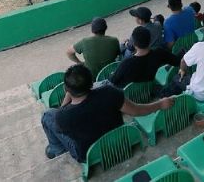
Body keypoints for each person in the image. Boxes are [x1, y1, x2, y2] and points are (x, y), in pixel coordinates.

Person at [41, 64, 174, 161]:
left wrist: (67, 97)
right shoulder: (109, 92)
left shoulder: (63, 116)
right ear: (92, 84)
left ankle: (56, 150)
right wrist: (161, 104)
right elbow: (137, 110)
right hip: (118, 142)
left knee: (48, 115)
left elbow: (60, 127)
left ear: (66, 89)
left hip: (88, 155)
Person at [109, 26, 180, 90]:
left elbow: (113, 80)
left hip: (133, 98)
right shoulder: (159, 53)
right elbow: (177, 61)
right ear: (150, 40)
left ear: (134, 44)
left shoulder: (126, 63)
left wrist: (112, 74)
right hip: (150, 91)